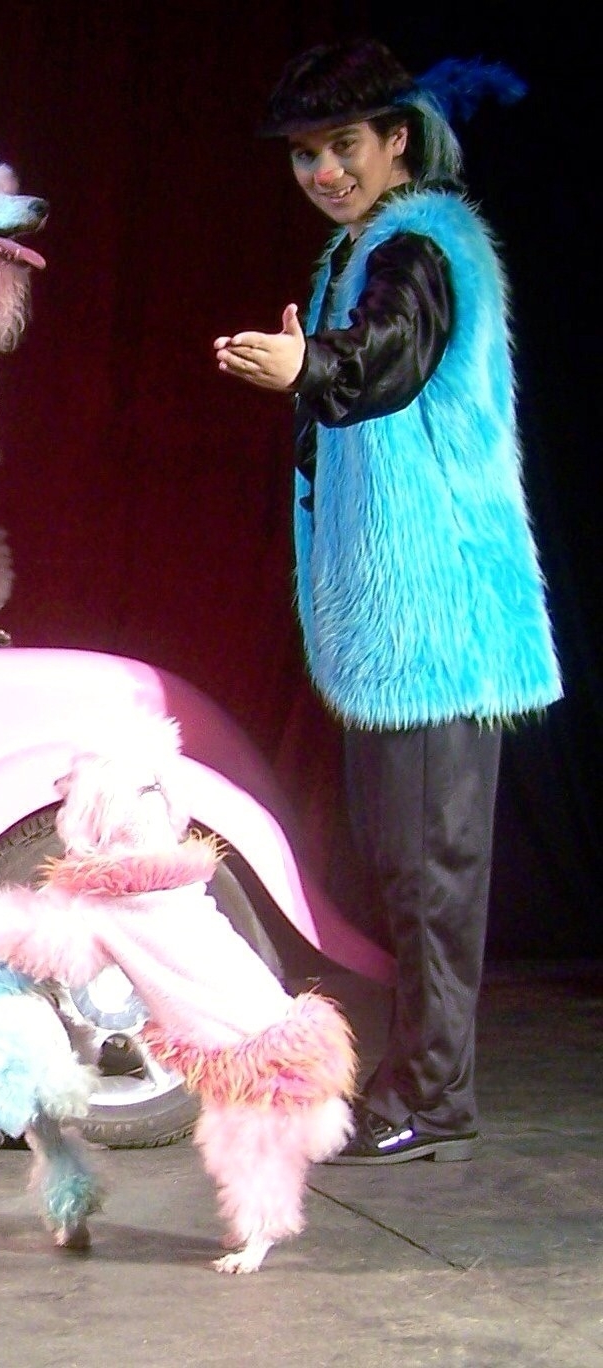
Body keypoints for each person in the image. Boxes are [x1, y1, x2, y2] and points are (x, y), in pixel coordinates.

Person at [214, 40, 558, 1164]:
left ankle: (433, 1094)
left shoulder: (420, 244)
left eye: (342, 146)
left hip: (440, 612)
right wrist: (310, 365)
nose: (321, 171)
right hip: (397, 616)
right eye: (304, 154)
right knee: (407, 864)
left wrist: (310, 368)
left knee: (431, 869)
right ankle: (419, 1080)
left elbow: (392, 354)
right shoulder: (363, 247)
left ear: (396, 139)